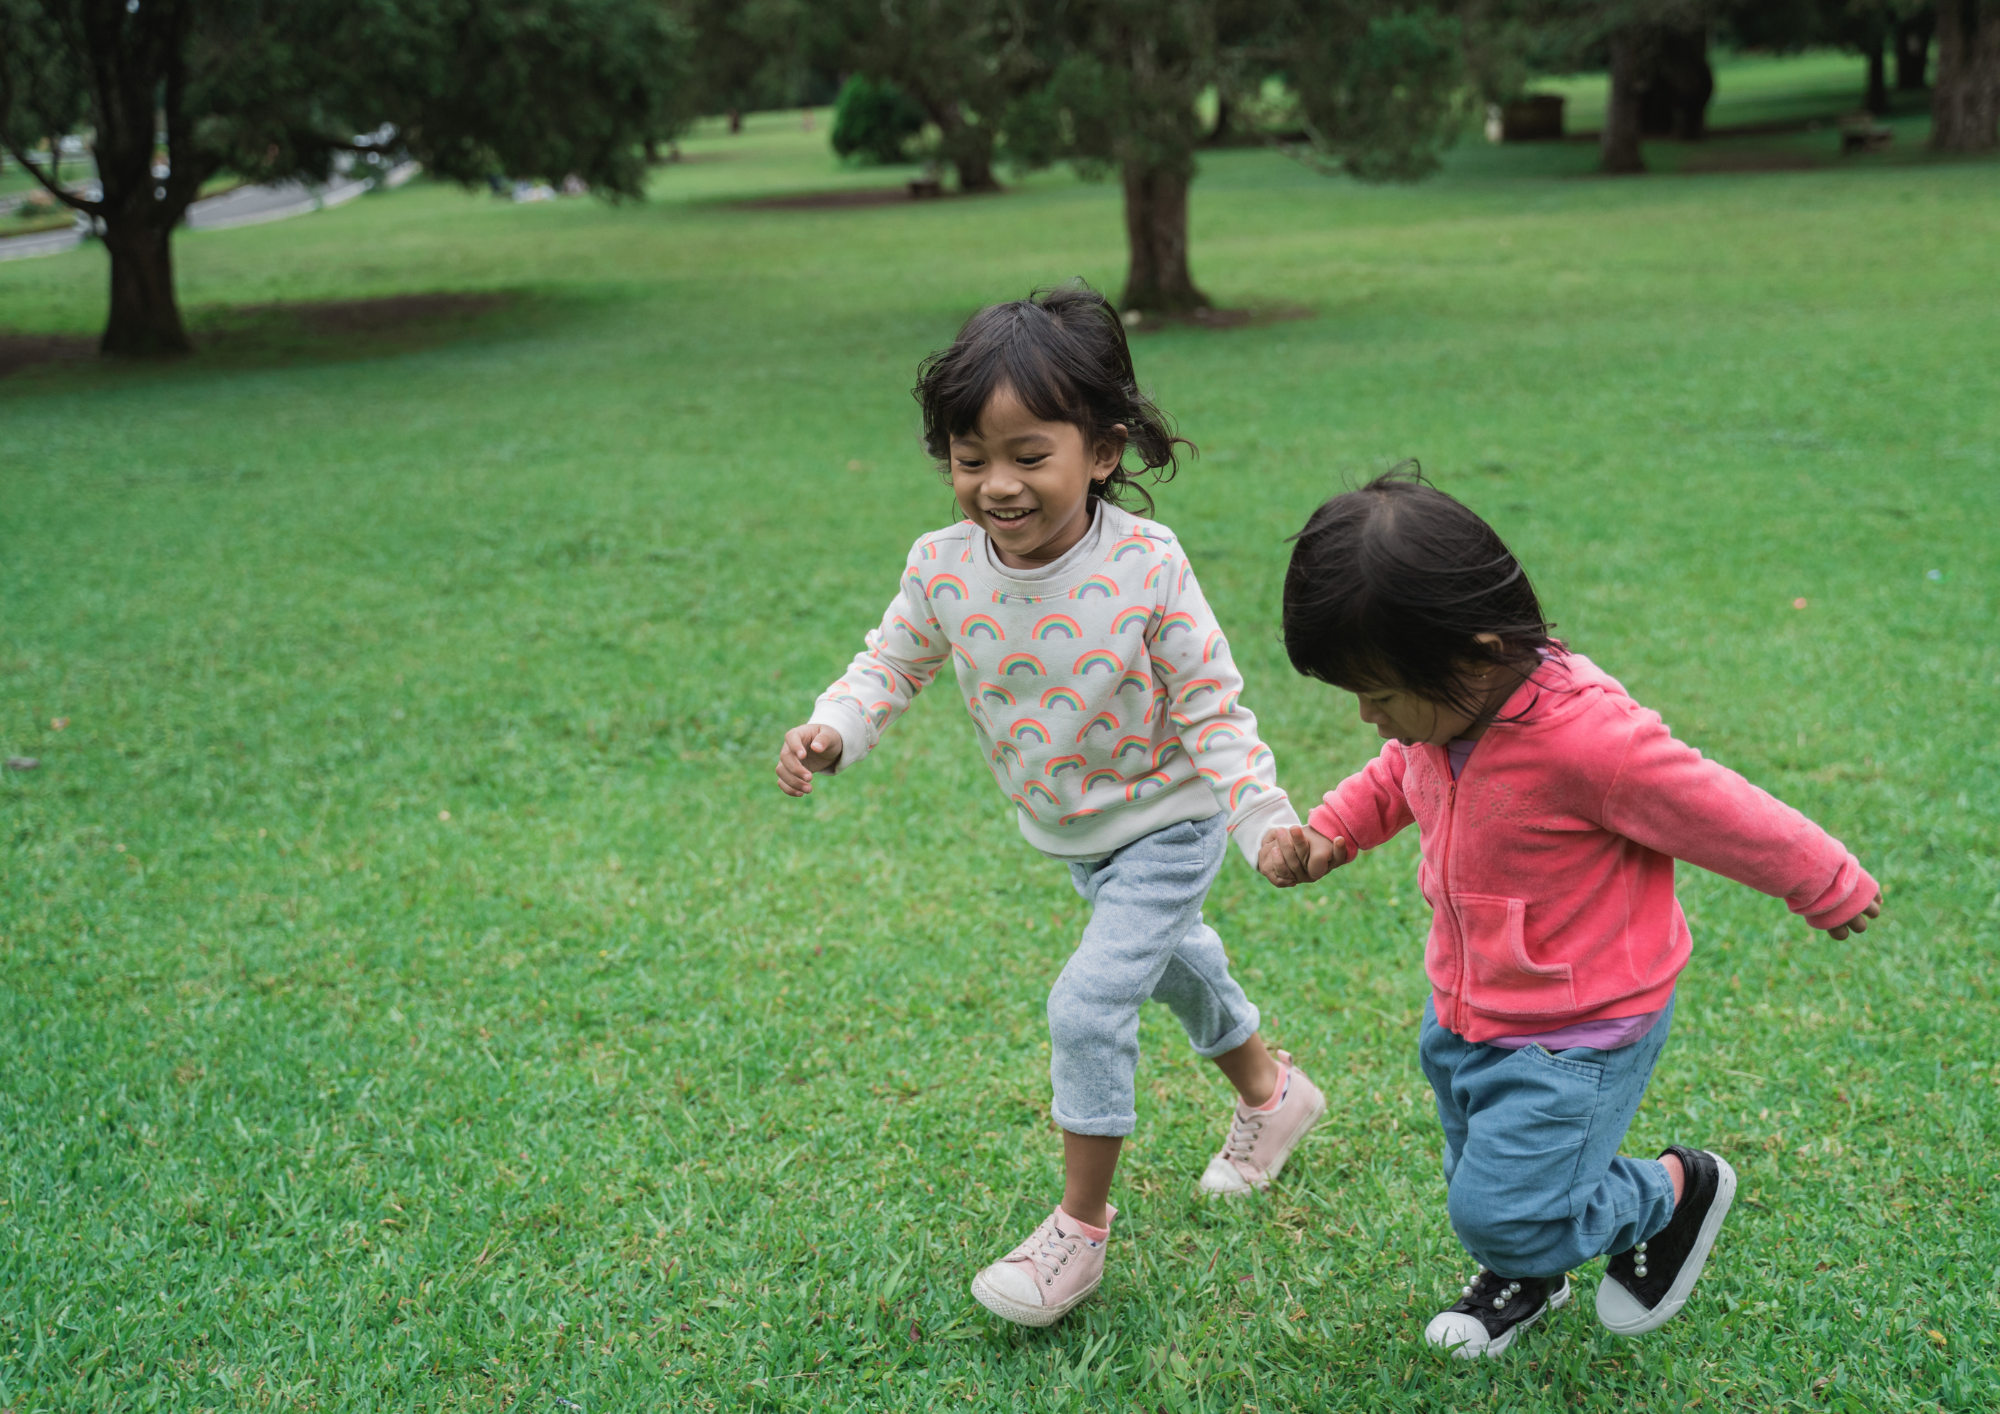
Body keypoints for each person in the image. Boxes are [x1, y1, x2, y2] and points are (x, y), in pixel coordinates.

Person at [775, 284, 1327, 1328]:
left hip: (1168, 817)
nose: (995, 485)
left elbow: (1213, 707)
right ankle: (1271, 1094)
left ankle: (1076, 1233)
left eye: (1028, 456)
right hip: (1075, 831)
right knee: (1176, 961)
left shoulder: (1144, 566)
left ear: (1102, 450)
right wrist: (833, 727)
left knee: (1088, 1001)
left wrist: (1261, 822)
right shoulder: (940, 567)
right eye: (968, 457)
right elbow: (887, 663)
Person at [1260, 469, 1881, 1359]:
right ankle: (1527, 1269)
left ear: (1475, 649)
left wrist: (1824, 877)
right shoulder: (1443, 718)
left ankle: (1675, 1192)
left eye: (1382, 693)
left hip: (1580, 1025)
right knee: (1479, 1170)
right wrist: (1331, 833)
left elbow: (1723, 811)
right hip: (1470, 1007)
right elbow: (1400, 771)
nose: (1369, 717)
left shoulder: (1592, 741)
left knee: (1503, 1202)